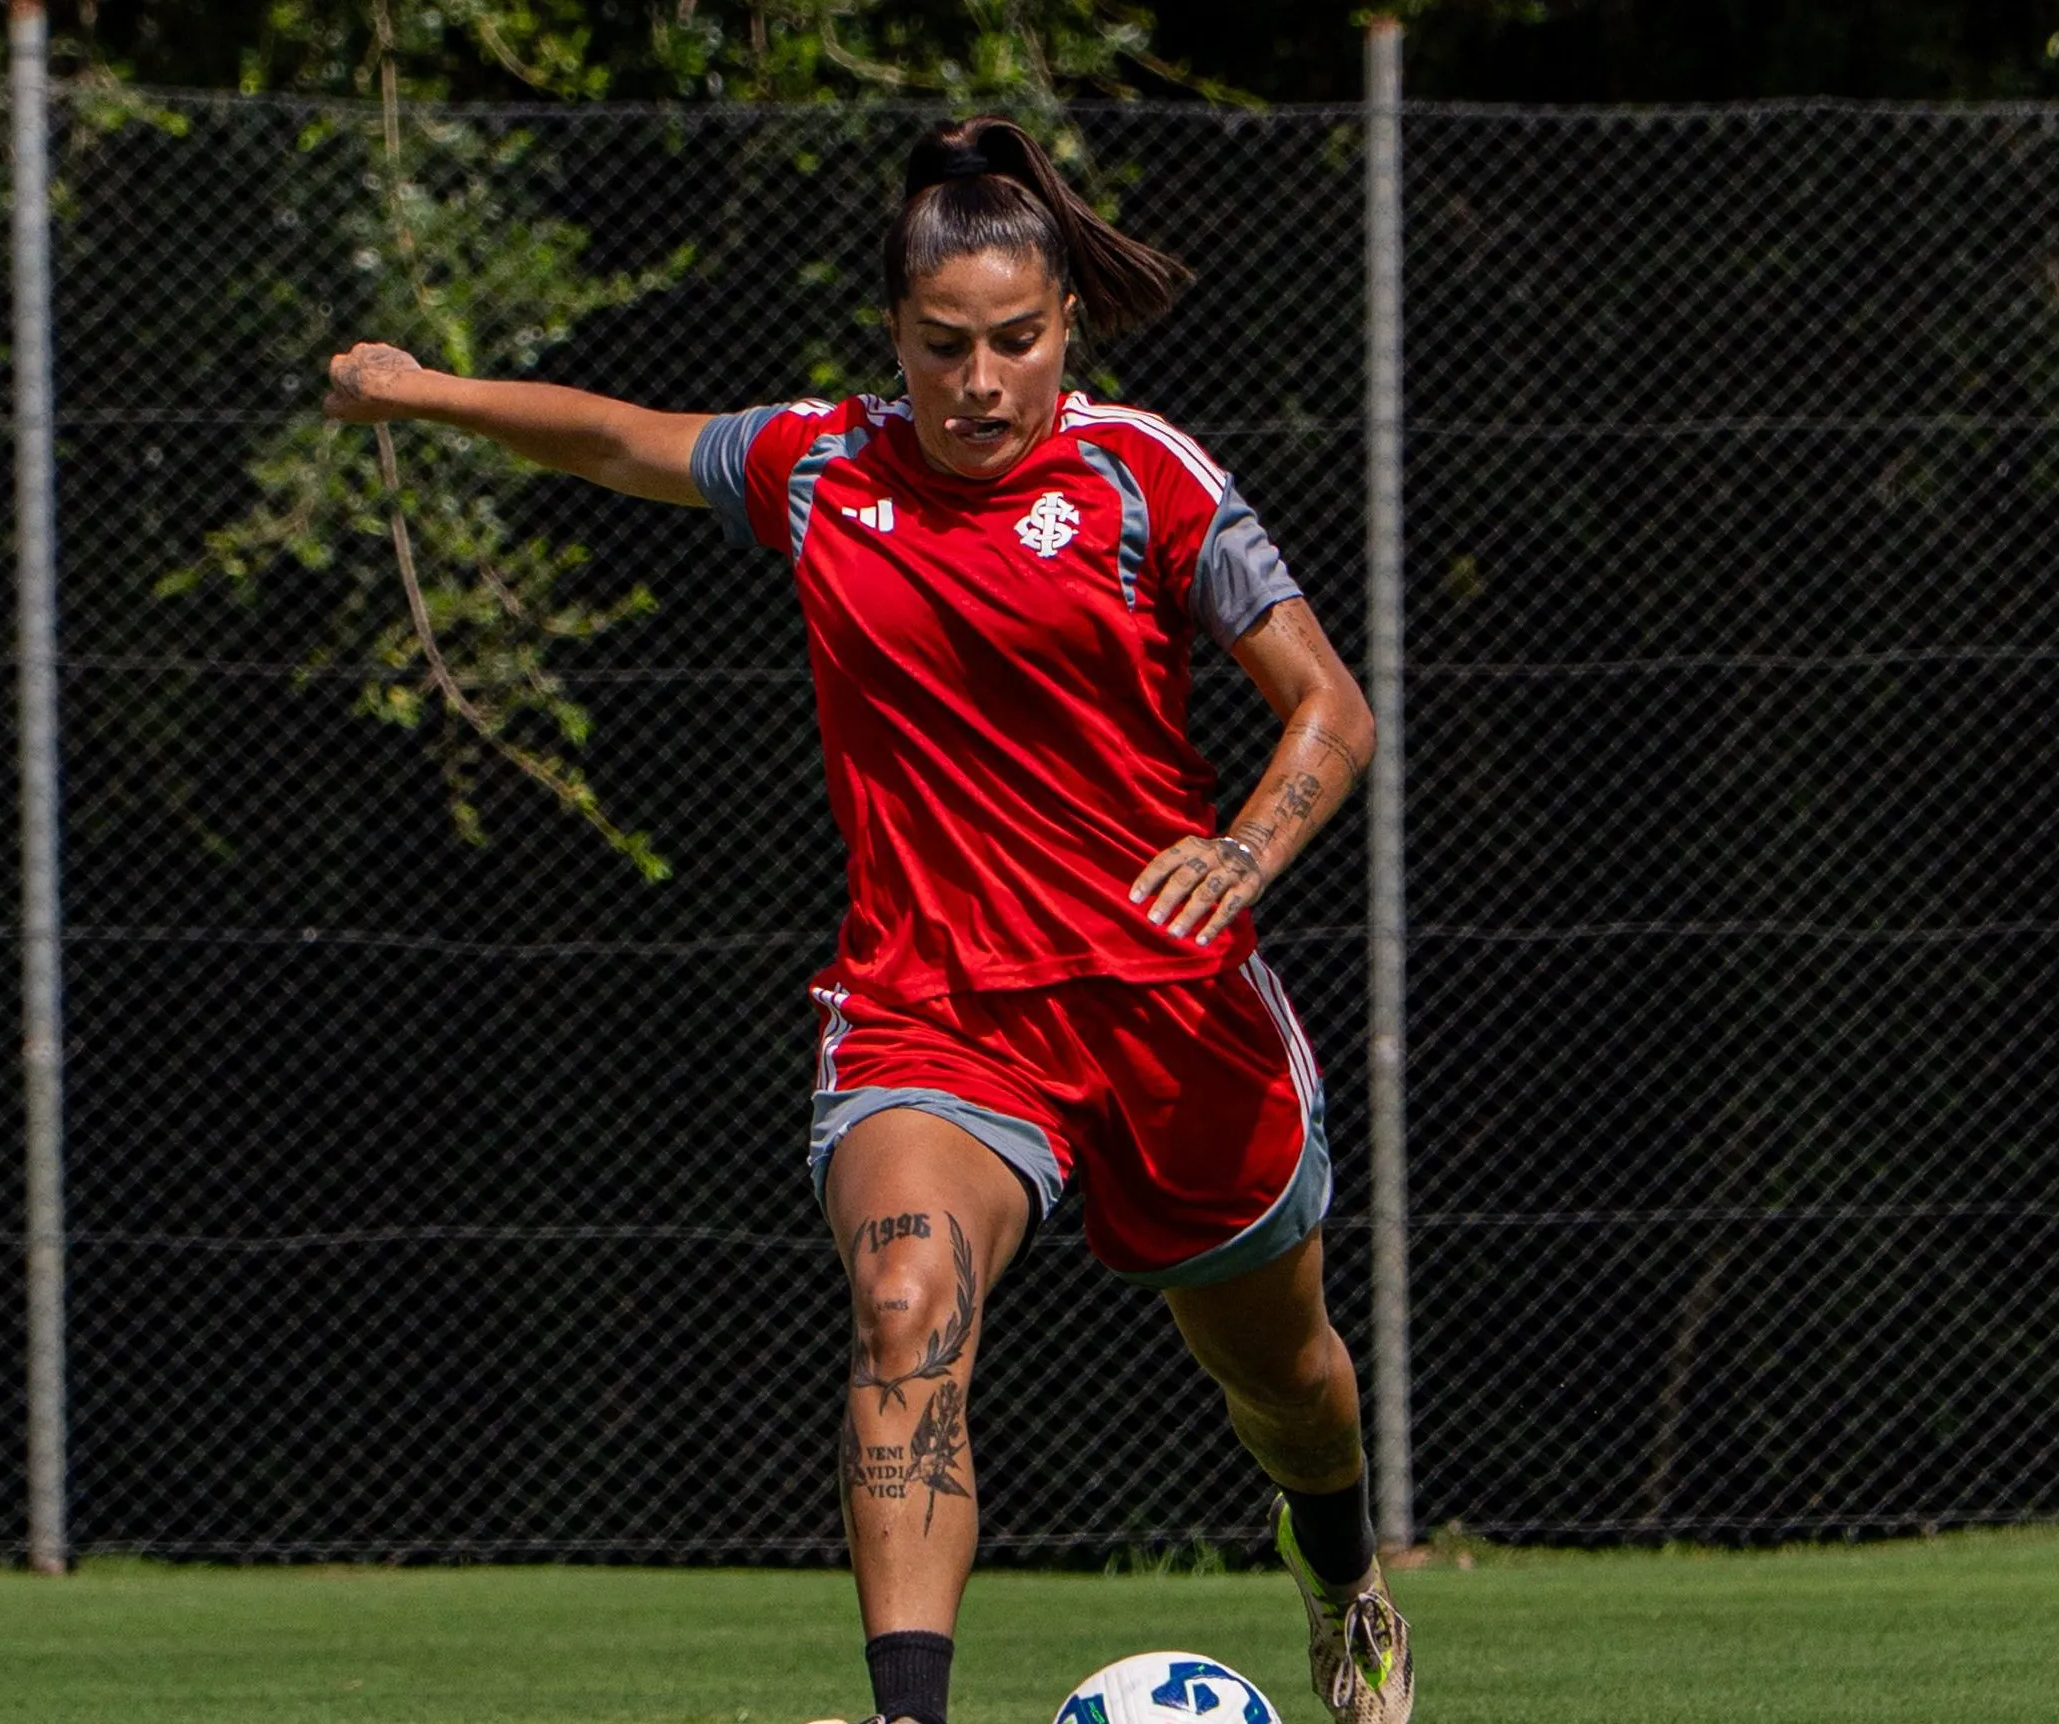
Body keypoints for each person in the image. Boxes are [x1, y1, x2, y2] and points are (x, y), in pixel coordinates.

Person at [325, 115, 1412, 1724]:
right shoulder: (821, 466)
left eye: (1018, 344)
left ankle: (1342, 1577)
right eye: (944, 345)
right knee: (905, 1306)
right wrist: (421, 392)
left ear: (1066, 333)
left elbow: (1328, 703)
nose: (981, 382)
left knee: (1290, 1386)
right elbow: (618, 436)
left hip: (1168, 1008)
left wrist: (1248, 849)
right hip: (935, 1013)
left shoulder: (1144, 476)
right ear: (895, 337)